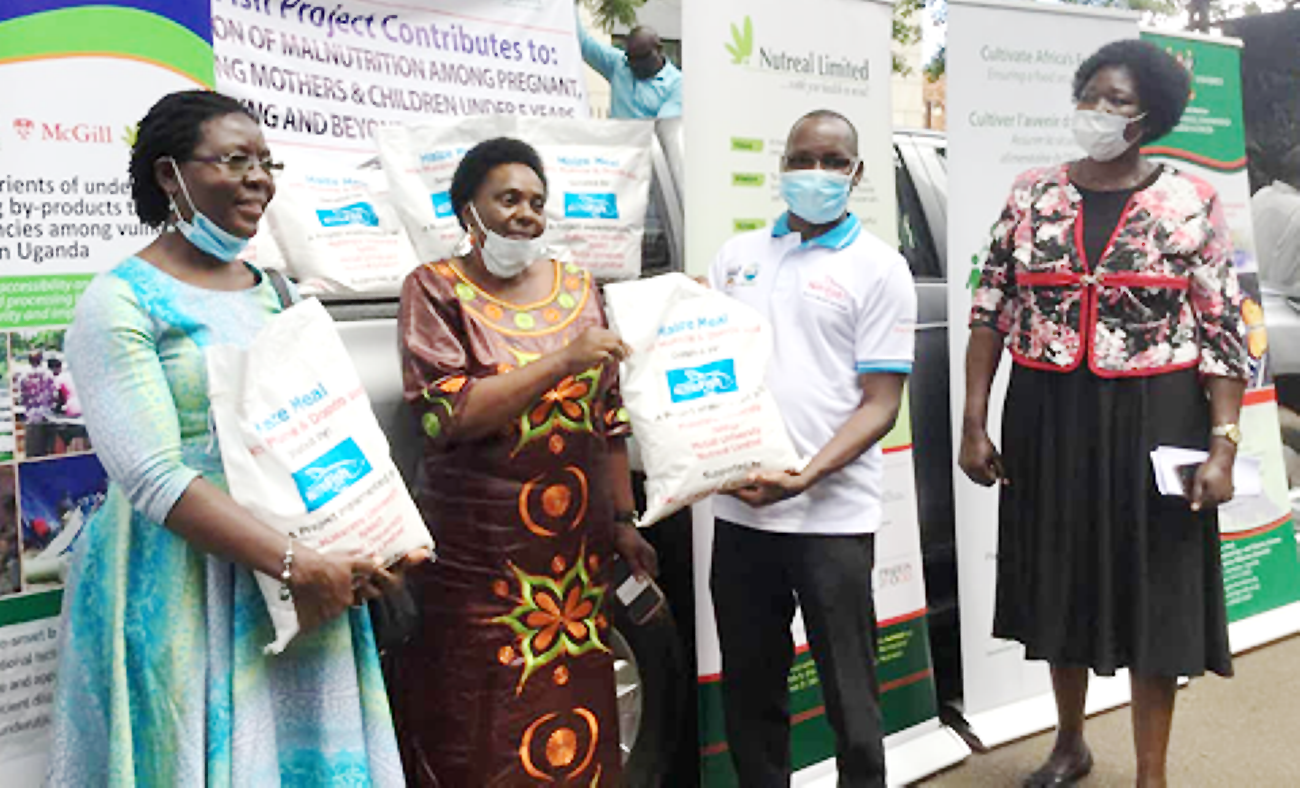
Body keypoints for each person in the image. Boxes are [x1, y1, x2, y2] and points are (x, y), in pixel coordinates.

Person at [47, 89, 418, 786]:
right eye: (236, 159)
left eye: (266, 161)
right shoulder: (118, 302)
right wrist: (294, 564)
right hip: (185, 579)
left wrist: (377, 538)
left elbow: (325, 430)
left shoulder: (274, 290)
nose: (259, 177)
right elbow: (153, 474)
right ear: (170, 176)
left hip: (302, 571)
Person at [960, 40, 1248, 788]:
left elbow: (1221, 328)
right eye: (1091, 93)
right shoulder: (1032, 194)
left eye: (1119, 100)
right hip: (1049, 410)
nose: (1100, 109)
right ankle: (1069, 742)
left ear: (1151, 113)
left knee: (1153, 589)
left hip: (1158, 414)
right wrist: (973, 418)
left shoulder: (1190, 201)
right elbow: (990, 306)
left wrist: (1222, 444)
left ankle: (1151, 771)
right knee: (1062, 576)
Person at [393, 137, 658, 785]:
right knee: (482, 717)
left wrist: (624, 519)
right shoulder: (434, 290)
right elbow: (446, 413)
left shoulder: (579, 288)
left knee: (577, 710)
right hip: (478, 563)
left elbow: (608, 415)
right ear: (467, 211)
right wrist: (561, 361)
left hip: (572, 563)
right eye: (507, 198)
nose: (525, 214)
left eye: (537, 202)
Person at [706, 110, 916, 787]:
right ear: (782, 164)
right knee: (752, 693)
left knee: (851, 701)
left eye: (832, 161)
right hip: (742, 515)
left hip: (831, 518)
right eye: (803, 158)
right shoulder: (736, 258)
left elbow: (881, 404)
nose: (816, 174)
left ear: (855, 173)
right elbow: (705, 373)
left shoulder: (880, 268)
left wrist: (805, 475)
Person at [577, 16, 682, 119]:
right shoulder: (619, 64)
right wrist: (569, 1)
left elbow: (662, 126)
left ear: (659, 49)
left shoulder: (677, 85)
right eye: (630, 58)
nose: (635, 65)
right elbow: (584, 44)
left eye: (642, 58)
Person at [1251, 144, 1300, 296]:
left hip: (1249, 298)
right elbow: (1288, 281)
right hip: (1283, 307)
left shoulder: (1261, 195)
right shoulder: (1296, 210)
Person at [16, 350, 55, 458]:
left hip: (32, 418)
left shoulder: (23, 376)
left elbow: (21, 397)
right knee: (48, 453)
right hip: (47, 416)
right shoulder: (48, 374)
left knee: (32, 455)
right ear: (41, 359)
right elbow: (53, 394)